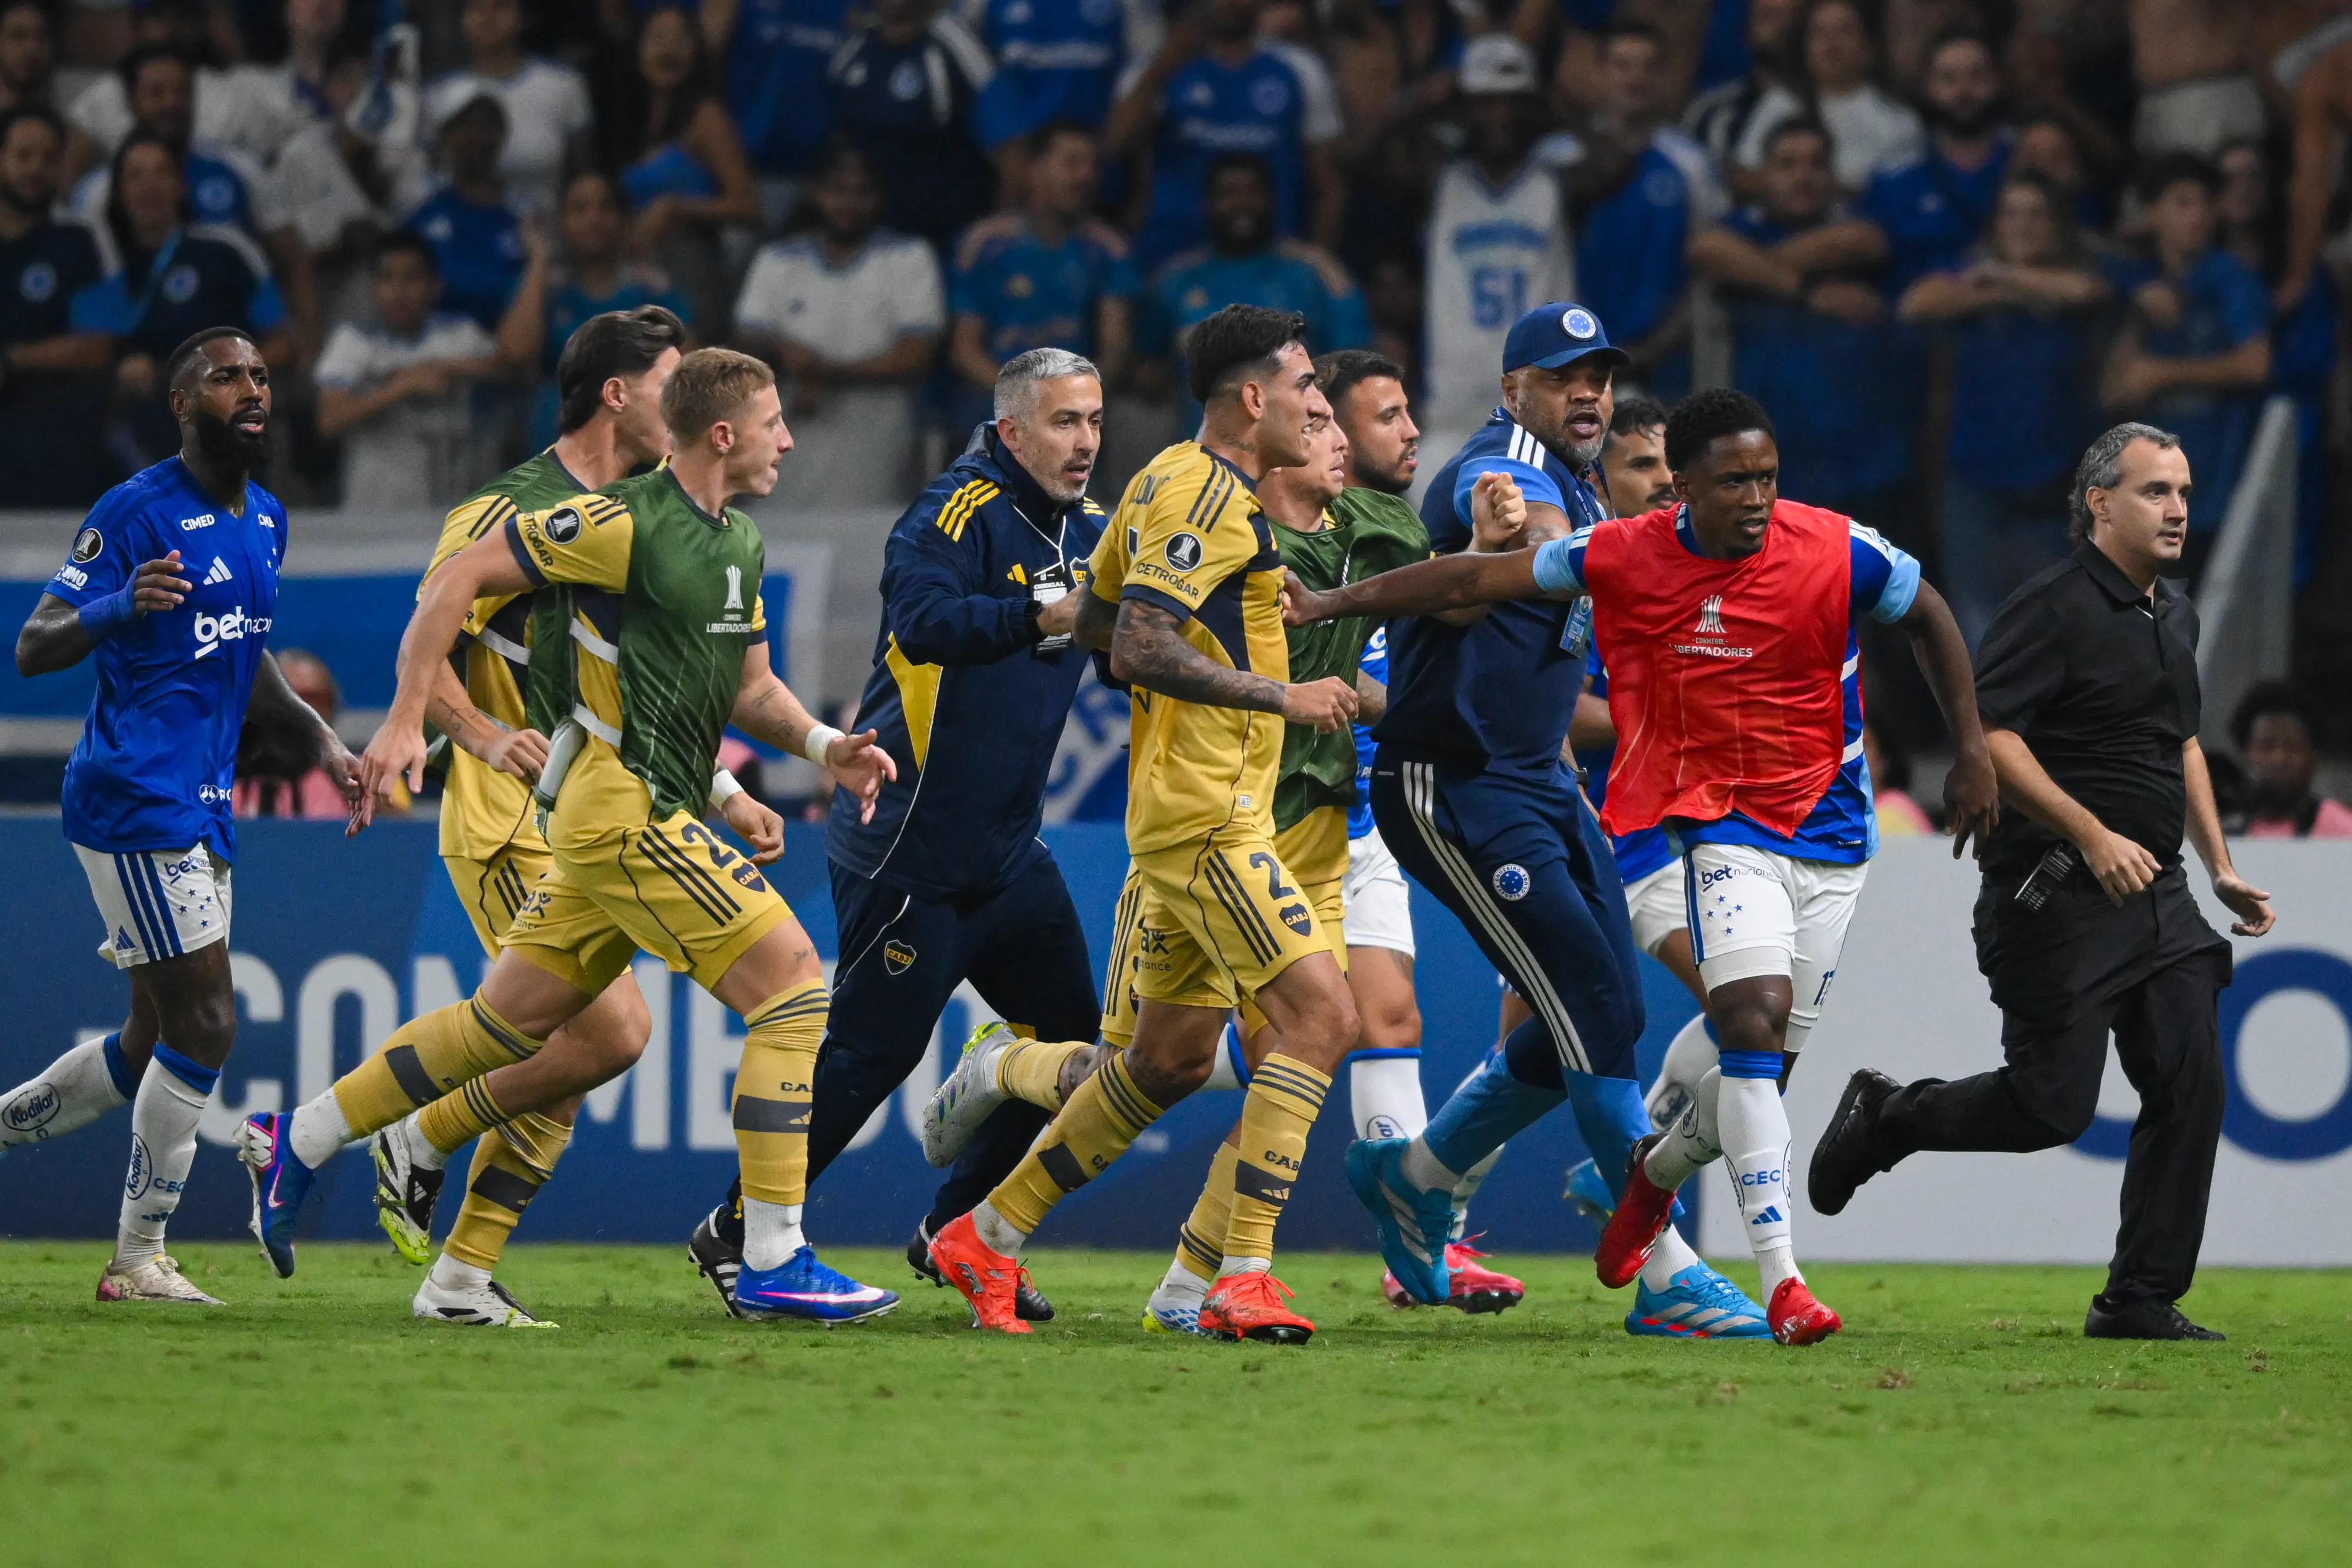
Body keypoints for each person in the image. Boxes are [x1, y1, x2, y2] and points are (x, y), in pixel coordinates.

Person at [1290, 385, 1999, 1345]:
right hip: (1661, 823)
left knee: (1649, 1030)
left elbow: (1926, 614)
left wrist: (1970, 749)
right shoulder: (1602, 540)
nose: (1748, 498)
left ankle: (1453, 1175)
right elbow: (1466, 579)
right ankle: (1705, 1272)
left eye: (1763, 479)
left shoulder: (1827, 545)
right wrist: (1329, 603)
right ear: (1682, 489)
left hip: (1790, 830)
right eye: (1712, 480)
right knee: (1689, 1018)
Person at [235, 348, 906, 1326]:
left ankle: (299, 1135)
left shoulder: (739, 546)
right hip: (619, 808)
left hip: (637, 807)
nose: (789, 441)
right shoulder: (618, 521)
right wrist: (409, 714)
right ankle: (771, 1254)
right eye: (774, 423)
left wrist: (821, 745)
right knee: (796, 992)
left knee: (500, 1028)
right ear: (723, 435)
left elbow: (748, 687)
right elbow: (459, 575)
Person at [1303, 305, 1753, 1325]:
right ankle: (1666, 1271)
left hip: (1534, 782)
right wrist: (1514, 535)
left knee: (1607, 1016)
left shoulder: (1585, 490)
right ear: (1514, 392)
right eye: (1560, 378)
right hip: (1450, 783)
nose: (1584, 392)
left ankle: (1417, 1175)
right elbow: (1506, 532)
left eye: (1595, 375)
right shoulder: (1493, 465)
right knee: (1592, 1008)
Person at [925, 303, 1362, 1340]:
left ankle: (985, 1232)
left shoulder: (1175, 481)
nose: (1317, 406)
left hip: (1187, 812)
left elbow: (1095, 616)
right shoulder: (1205, 494)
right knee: (1321, 1020)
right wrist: (1277, 694)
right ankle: (1240, 1274)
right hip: (1208, 818)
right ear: (1251, 399)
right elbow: (1139, 648)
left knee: (1163, 1060)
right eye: (1304, 386)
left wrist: (1250, 604)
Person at [1810, 422, 2277, 1343]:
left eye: (2182, 491)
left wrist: (2217, 864)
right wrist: (2090, 832)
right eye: (2154, 491)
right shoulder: (2051, 606)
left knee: (2191, 1087)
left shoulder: (2169, 613)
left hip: (2159, 895)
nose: (2177, 508)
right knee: (2046, 1107)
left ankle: (2137, 1297)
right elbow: (1992, 737)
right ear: (2098, 503)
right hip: (2052, 892)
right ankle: (1887, 1117)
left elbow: (2178, 741)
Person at [687, 348, 1115, 1323]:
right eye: (1063, 422)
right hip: (907, 845)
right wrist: (1043, 611)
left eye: (1093, 420)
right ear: (1009, 431)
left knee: (1078, 1047)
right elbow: (921, 622)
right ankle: (734, 1225)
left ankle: (951, 1230)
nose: (1085, 440)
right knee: (864, 1061)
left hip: (1008, 853)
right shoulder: (951, 512)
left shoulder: (1093, 527)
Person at [363, 308, 763, 1329]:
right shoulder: (507, 508)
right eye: (673, 382)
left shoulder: (647, 515)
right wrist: (465, 733)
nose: (689, 405)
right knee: (604, 1031)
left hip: (595, 808)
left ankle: (456, 1272)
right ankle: (390, 1136)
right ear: (620, 395)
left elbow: (650, 691)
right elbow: (434, 624)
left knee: (579, 1054)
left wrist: (720, 789)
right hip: (508, 814)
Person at [1, 328, 361, 1303]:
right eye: (225, 377)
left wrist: (323, 739)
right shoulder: (134, 510)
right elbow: (34, 645)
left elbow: (244, 653)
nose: (251, 390)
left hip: (203, 803)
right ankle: (138, 1256)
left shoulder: (267, 521)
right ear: (181, 402)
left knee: (145, 1040)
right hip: (133, 796)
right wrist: (120, 604)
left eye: (259, 376)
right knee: (207, 1020)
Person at [1900, 171, 2110, 645]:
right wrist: (2010, 290)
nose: (2023, 225)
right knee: (1976, 630)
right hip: (1972, 483)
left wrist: (2000, 275)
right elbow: (1916, 303)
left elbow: (2087, 291)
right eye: (2012, 213)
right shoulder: (1968, 277)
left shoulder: (2073, 276)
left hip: (2050, 486)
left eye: (2036, 214)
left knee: (2050, 633)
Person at [1689, 118, 1912, 529]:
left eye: (1814, 164)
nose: (1802, 176)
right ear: (1763, 176)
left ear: (1832, 175)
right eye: (1786, 165)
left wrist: (1757, 268)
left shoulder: (1856, 228)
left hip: (1866, 465)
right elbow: (1707, 251)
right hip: (1768, 470)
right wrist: (1808, 293)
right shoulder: (1738, 229)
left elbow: (1862, 241)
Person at [731, 141, 944, 509]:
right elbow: (745, 341)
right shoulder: (777, 260)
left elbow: (916, 355)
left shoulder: (909, 258)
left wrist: (826, 372)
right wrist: (781, 350)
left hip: (877, 449)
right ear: (815, 193)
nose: (848, 203)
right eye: (837, 190)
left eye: (862, 192)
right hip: (787, 450)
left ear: (880, 198)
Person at [72, 132, 291, 471]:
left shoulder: (227, 251)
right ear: (118, 192)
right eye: (136, 176)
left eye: (162, 173)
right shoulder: (94, 261)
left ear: (181, 186)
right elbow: (88, 350)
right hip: (125, 427)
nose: (150, 187)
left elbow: (283, 344)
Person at [2100, 153, 2272, 576]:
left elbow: (2256, 364)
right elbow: (2112, 389)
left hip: (2217, 492)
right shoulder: (2135, 280)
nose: (2198, 216)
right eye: (2182, 202)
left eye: (2205, 203)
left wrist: (2161, 373)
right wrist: (2133, 300)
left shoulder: (2230, 277)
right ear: (2152, 213)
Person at [1108, 0, 1343, 269]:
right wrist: (1164, 66)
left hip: (1272, 264)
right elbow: (1115, 144)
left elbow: (1328, 186)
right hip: (1170, 258)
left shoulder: (1302, 71)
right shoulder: (1158, 67)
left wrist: (1317, 265)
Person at [1421, 35, 1574, 443]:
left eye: (1512, 102)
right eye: (1485, 103)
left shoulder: (1560, 181)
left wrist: (1559, 108)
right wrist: (1426, 97)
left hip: (1542, 400)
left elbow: (1617, 162)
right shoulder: (1439, 180)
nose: (1499, 116)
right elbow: (1360, 161)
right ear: (1463, 109)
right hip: (1452, 403)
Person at [1137, 152, 1369, 418]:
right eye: (1229, 193)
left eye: (1252, 192)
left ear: (1272, 200)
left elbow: (1355, 360)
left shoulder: (1316, 273)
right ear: (1208, 204)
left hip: (1298, 446)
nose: (1241, 203)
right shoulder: (1175, 280)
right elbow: (1148, 369)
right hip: (1201, 449)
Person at [1567, 22, 1724, 403]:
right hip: (1571, 368)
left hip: (1666, 371)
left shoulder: (1692, 166)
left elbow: (1709, 268)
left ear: (1664, 77)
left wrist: (1652, 349)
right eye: (1622, 65)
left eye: (1647, 66)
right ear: (1599, 75)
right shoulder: (1562, 159)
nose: (1634, 78)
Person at [949, 121, 1135, 418]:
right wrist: (1023, 399)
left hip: (1072, 425)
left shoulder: (1109, 250)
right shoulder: (984, 245)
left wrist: (1072, 402)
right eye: (1073, 163)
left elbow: (1114, 348)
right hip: (991, 422)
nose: (1086, 176)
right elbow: (965, 348)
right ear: (1035, 172)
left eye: (1093, 166)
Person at [498, 169, 693, 451]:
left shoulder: (653, 289)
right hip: (555, 446)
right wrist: (540, 259)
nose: (594, 218)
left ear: (625, 220)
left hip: (638, 458)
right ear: (562, 222)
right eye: (579, 209)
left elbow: (688, 368)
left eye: (606, 207)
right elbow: (515, 353)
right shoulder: (542, 287)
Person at [315, 231, 505, 509]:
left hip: (453, 499)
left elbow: (513, 368)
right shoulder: (354, 340)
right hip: (374, 504)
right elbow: (329, 420)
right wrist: (404, 385)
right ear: (373, 287)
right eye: (387, 279)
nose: (399, 291)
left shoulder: (460, 335)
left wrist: (444, 367)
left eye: (412, 278)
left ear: (436, 285)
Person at [605, 5, 759, 333]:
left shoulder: (706, 116)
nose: (668, 49)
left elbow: (748, 206)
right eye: (657, 39)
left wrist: (676, 208)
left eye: (681, 39)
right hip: (632, 269)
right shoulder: (625, 119)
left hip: (690, 267)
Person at [0, 105, 112, 507]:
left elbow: (98, 345)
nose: (36, 169)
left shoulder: (77, 239)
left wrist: (13, 361)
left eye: (48, 159)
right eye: (24, 156)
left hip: (52, 409)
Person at [828, 0, 998, 249]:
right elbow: (836, 144)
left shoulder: (954, 44)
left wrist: (994, 228)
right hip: (867, 243)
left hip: (942, 241)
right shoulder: (853, 49)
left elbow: (1010, 149)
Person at [1855, 29, 2011, 295]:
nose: (1964, 91)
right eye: (1949, 79)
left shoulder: (2029, 161)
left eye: (1977, 76)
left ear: (1998, 82)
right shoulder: (1894, 178)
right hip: (1918, 327)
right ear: (1928, 88)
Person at [422, 0, 593, 218]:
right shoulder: (437, 95)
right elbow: (426, 179)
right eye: (477, 8)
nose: (488, 17)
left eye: (500, 7)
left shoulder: (563, 85)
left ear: (523, 17)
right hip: (460, 239)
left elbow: (583, 175)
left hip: (547, 236)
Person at [1740, 0, 1924, 194]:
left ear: (1869, 44)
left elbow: (1906, 193)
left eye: (1844, 31)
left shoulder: (1900, 121)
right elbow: (1743, 174)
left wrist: (1831, 192)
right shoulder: (1780, 102)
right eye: (1819, 32)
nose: (1831, 43)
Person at [702, 0, 853, 225]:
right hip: (745, 175)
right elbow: (699, 73)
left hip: (820, 181)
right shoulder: (734, 6)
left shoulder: (854, 8)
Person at [402, 93, 528, 333]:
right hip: (433, 348)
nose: (475, 137)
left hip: (506, 348)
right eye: (464, 125)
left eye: (486, 126)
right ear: (446, 136)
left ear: (501, 136)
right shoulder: (421, 212)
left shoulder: (524, 216)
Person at [233, 649, 372, 818]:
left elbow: (398, 835)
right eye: (289, 700)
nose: (303, 712)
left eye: (314, 699)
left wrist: (371, 796)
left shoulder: (365, 772)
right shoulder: (217, 776)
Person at [2228, 681, 2352, 838]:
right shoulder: (2222, 831)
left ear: (2315, 757)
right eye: (2267, 746)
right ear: (2245, 754)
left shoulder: (2343, 834)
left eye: (2293, 748)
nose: (2278, 759)